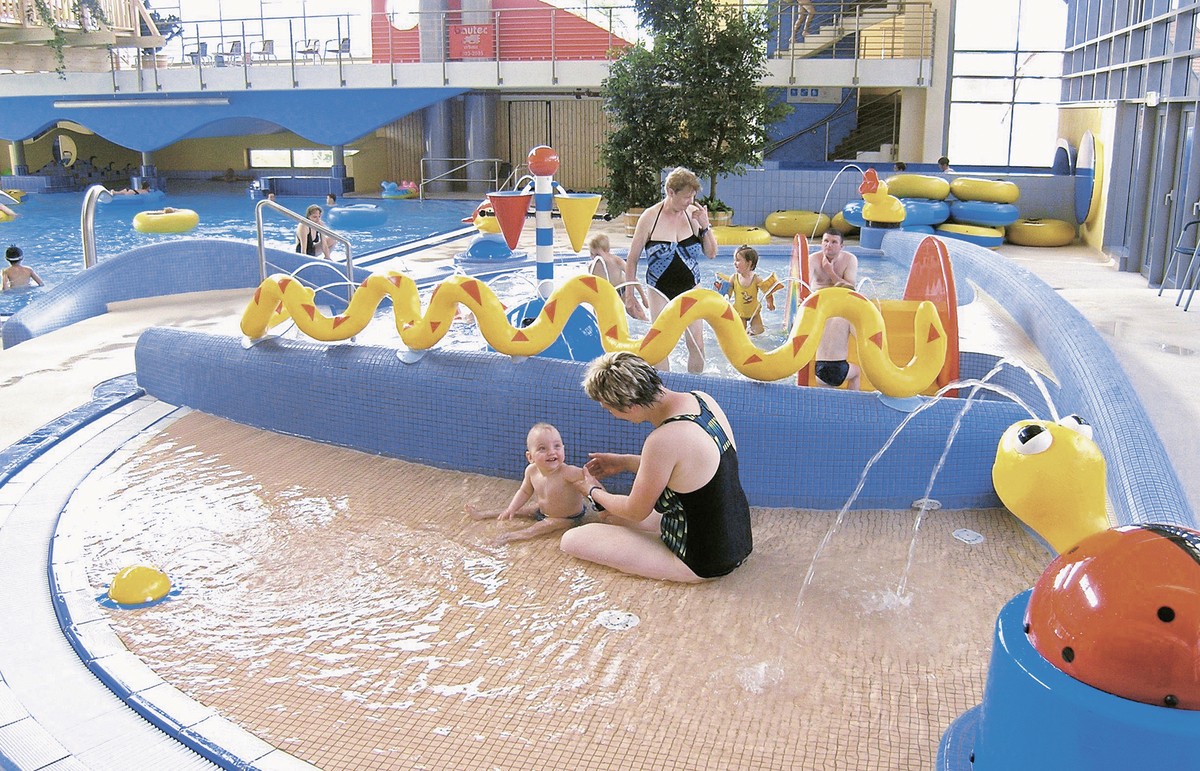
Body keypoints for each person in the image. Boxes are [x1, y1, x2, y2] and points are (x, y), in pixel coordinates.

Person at [562, 351, 753, 582]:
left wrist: (594, 492)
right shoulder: (702, 400)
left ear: (630, 407)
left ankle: (675, 564)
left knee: (572, 540)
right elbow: (691, 469)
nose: (610, 415)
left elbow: (635, 510)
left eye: (608, 409)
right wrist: (625, 462)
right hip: (737, 542)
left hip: (701, 562)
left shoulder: (661, 440)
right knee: (611, 517)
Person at [625, 167, 717, 373]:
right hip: (659, 290)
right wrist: (629, 296)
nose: (690, 202)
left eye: (693, 197)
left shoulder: (694, 214)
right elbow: (632, 260)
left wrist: (705, 226)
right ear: (670, 192)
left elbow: (711, 253)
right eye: (686, 197)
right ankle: (665, 391)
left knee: (697, 345)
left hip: (691, 287)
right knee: (660, 347)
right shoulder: (650, 217)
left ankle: (695, 386)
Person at [467, 423, 589, 545]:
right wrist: (512, 508)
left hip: (566, 518)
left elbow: (592, 485)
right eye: (542, 448)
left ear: (563, 448)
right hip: (542, 510)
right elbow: (525, 491)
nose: (551, 452)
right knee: (520, 510)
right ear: (530, 457)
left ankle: (507, 537)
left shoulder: (569, 472)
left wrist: (603, 509)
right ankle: (483, 515)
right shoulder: (531, 471)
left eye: (556, 446)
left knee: (537, 528)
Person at [810, 229, 860, 390]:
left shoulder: (849, 259)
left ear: (842, 246)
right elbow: (803, 285)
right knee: (857, 372)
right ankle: (853, 403)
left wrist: (830, 271)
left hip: (819, 368)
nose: (828, 245)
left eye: (833, 242)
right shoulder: (813, 259)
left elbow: (851, 287)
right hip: (822, 303)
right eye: (825, 241)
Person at [716, 245, 782, 336]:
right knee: (740, 334)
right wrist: (725, 297)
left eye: (738, 260)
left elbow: (767, 291)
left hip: (754, 313)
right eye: (734, 260)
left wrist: (770, 303)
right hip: (739, 312)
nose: (734, 263)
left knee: (759, 333)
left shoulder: (756, 279)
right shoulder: (733, 278)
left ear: (749, 263)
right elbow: (728, 292)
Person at [587, 233, 649, 321]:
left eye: (597, 254)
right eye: (591, 254)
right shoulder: (592, 267)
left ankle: (646, 324)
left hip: (622, 290)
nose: (593, 257)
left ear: (607, 251)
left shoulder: (616, 261)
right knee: (599, 315)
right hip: (608, 294)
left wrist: (643, 298)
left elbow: (633, 278)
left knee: (638, 314)